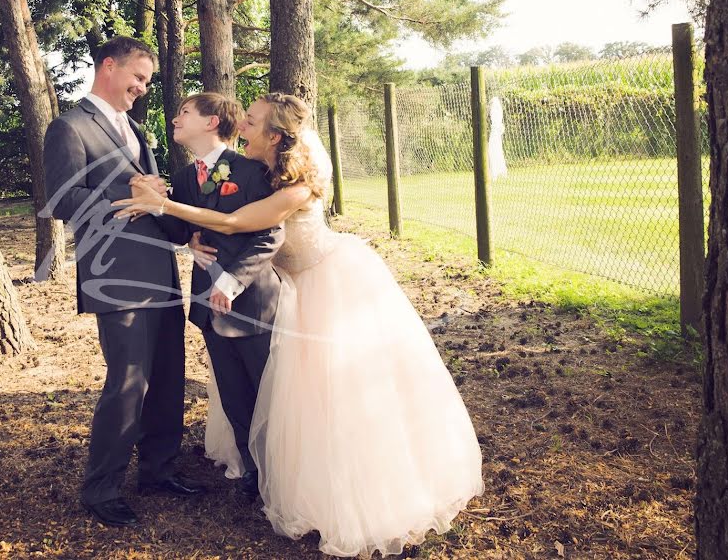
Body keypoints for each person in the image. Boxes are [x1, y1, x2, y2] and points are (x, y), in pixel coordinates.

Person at [114, 93, 484, 557]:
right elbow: (211, 226)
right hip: (282, 286)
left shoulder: (297, 185)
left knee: (323, 391)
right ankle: (265, 472)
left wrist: (167, 208)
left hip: (324, 283)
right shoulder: (254, 171)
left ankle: (330, 475)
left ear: (275, 135)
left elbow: (238, 224)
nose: (240, 127)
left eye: (250, 121)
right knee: (276, 392)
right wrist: (178, 223)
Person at [42, 36, 201, 528]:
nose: (141, 88)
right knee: (128, 384)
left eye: (147, 81)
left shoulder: (136, 129)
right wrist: (127, 190)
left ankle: (157, 471)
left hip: (161, 273)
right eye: (138, 77)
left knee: (169, 379)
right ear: (107, 66)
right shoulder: (68, 128)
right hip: (116, 278)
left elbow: (152, 200)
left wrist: (184, 224)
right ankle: (101, 488)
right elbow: (65, 202)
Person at [152, 92, 284, 498]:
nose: (175, 118)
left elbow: (270, 234)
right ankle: (255, 476)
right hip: (209, 306)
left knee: (271, 397)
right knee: (234, 397)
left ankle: (284, 478)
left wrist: (232, 282)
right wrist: (168, 214)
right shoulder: (184, 174)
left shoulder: (251, 171)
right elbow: (182, 230)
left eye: (184, 112)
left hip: (252, 302)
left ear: (211, 123)